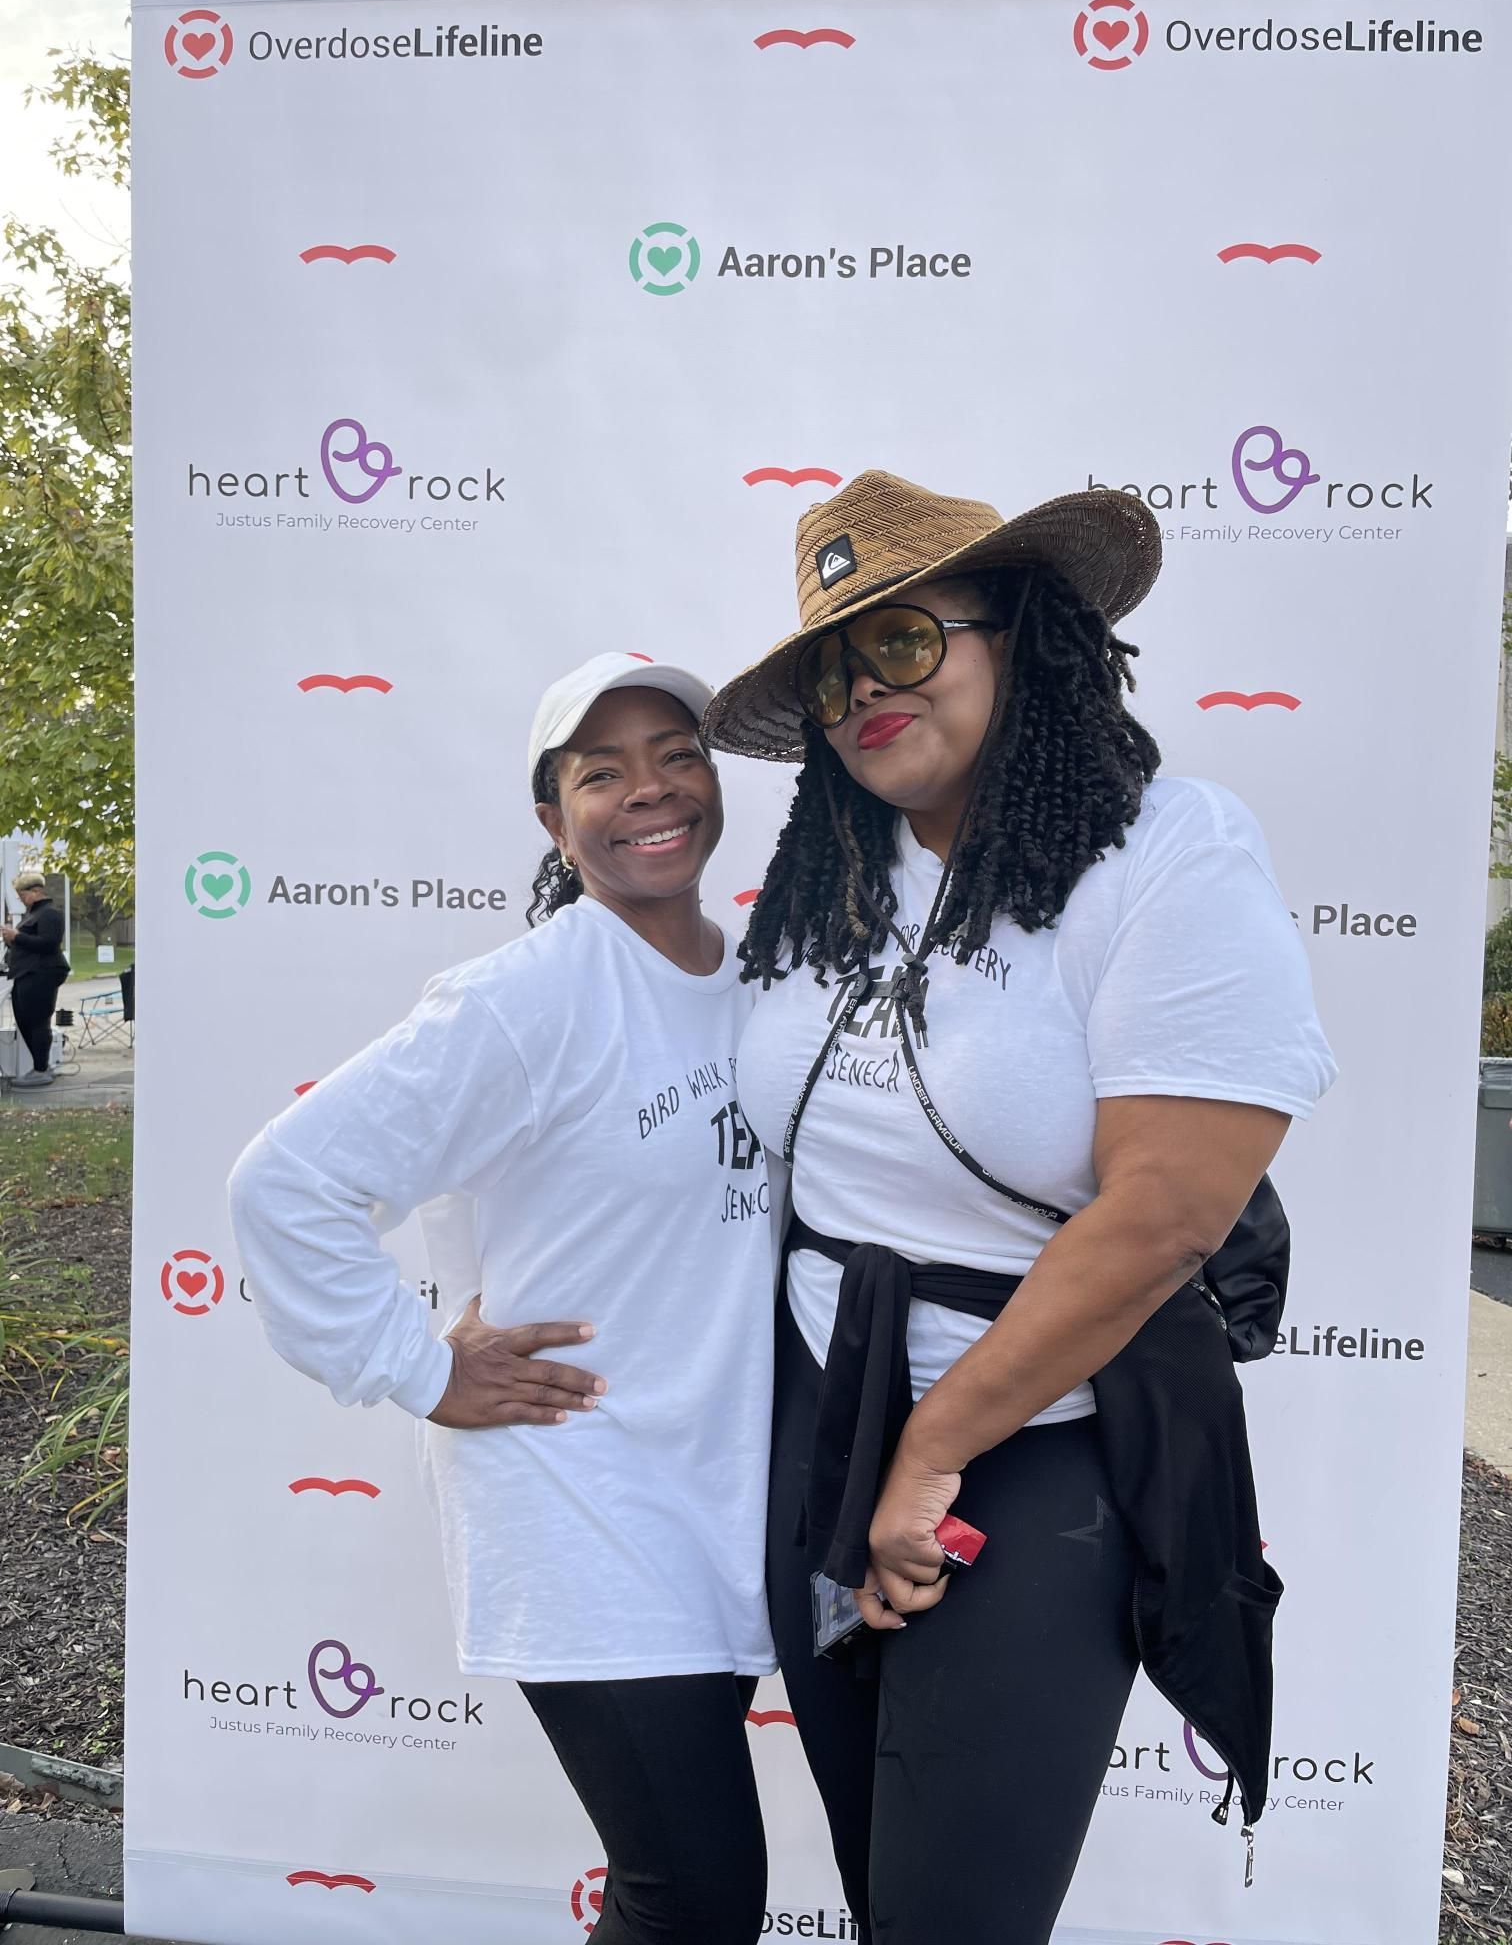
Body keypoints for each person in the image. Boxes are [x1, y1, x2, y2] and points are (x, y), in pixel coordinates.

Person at [701, 471, 1338, 1945]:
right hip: (817, 1415)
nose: (867, 688)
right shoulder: (829, 874)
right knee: (875, 1869)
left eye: (908, 642)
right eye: (835, 671)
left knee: (954, 1916)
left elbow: (1167, 1210)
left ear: (1021, 636)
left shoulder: (1168, 851)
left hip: (1036, 1450)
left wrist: (926, 1457)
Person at [228, 654, 778, 1945]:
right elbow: (285, 1183)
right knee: (690, 1898)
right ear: (554, 821)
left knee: (688, 1896)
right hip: (580, 1498)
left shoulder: (764, 983)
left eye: (677, 754)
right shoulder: (523, 1001)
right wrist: (421, 1370)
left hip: (716, 1492)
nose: (650, 790)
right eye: (602, 771)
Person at [3, 871, 70, 1088]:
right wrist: (12, 941)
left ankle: (41, 1069)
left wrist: (17, 937)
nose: (22, 899)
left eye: (23, 895)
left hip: (42, 973)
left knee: (38, 1020)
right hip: (24, 973)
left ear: (37, 891)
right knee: (24, 1020)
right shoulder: (31, 915)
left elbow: (49, 943)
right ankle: (39, 1065)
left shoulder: (50, 914)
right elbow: (28, 943)